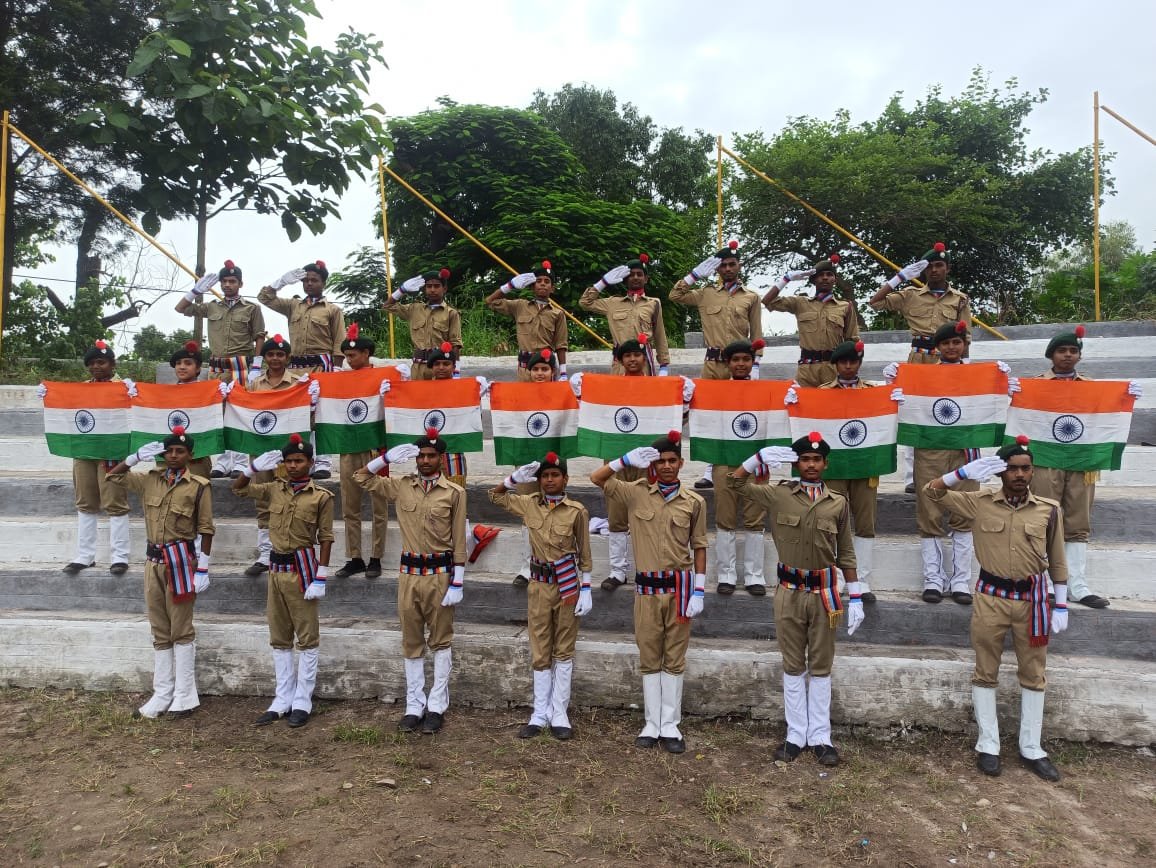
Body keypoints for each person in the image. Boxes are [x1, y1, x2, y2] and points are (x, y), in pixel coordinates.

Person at [925, 437, 1068, 781]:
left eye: (1025, 468)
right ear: (1002, 471)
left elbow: (1058, 559)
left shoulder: (1048, 509)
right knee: (984, 669)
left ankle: (1031, 747)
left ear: (1032, 470)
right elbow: (932, 493)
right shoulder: (980, 502)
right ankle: (988, 744)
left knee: (1033, 674)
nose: (1020, 474)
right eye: (1013, 468)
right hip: (991, 597)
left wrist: (1061, 602)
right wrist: (960, 473)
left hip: (1033, 599)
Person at [729, 435, 861, 767]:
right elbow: (734, 483)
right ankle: (794, 734)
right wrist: (756, 458)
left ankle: (820, 736)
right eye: (805, 459)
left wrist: (856, 594)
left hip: (824, 593)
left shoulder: (838, 502)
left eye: (817, 460)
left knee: (820, 665)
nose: (811, 465)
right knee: (792, 663)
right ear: (796, 463)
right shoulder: (779, 494)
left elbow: (845, 551)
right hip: (789, 592)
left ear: (825, 464)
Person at [590, 431, 707, 754]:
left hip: (680, 590)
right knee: (649, 655)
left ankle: (670, 724)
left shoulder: (694, 501)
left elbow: (699, 546)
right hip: (646, 590)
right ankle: (651, 722)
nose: (667, 466)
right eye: (661, 461)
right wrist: (625, 460)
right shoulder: (636, 493)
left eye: (672, 461)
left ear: (681, 463)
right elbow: (597, 477)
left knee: (674, 657)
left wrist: (699, 589)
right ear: (653, 464)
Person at [352, 429, 467, 734]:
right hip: (409, 576)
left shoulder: (454, 493)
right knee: (411, 641)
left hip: (440, 575)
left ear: (441, 459)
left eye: (431, 455)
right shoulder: (401, 486)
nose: (426, 460)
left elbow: (458, 539)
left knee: (441, 641)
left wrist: (459, 581)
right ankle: (413, 705)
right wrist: (386, 458)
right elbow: (361, 478)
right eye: (421, 455)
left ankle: (437, 705)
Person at [888, 321, 1008, 606]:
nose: (952, 347)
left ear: (964, 345)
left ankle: (960, 580)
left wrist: (1002, 381)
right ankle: (933, 578)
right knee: (929, 512)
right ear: (937, 347)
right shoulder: (924, 376)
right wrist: (892, 381)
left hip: (965, 451)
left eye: (957, 342)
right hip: (931, 450)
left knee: (965, 512)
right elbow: (903, 403)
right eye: (946, 343)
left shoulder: (978, 375)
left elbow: (994, 403)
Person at [1023, 326, 1143, 609]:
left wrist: (1126, 397)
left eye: (1073, 351)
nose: (1067, 355)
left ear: (1079, 355)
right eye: (1062, 351)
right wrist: (1013, 393)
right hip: (1045, 459)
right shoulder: (1035, 384)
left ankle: (1076, 584)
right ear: (1051, 354)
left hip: (1082, 461)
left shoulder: (1092, 387)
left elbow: (1106, 416)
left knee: (1077, 523)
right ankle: (1045, 583)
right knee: (1043, 518)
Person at [105, 426, 214, 719]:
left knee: (181, 627)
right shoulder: (150, 479)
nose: (174, 455)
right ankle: (163, 691)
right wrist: (134, 458)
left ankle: (185, 695)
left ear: (191, 455)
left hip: (181, 562)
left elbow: (206, 528)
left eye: (180, 451)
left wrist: (203, 567)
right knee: (159, 628)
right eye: (169, 451)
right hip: (153, 562)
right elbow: (112, 477)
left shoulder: (199, 485)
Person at [233, 434, 334, 728]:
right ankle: (282, 698)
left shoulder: (321, 497)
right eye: (289, 461)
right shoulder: (274, 488)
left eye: (299, 461)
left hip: (302, 570)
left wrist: (321, 575)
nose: (293, 465)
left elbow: (326, 537)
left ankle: (303, 699)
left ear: (311, 463)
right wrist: (251, 470)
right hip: (276, 570)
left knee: (307, 636)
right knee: (279, 636)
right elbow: (238, 490)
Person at [490, 452, 593, 739]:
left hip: (567, 585)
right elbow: (496, 497)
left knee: (564, 646)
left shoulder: (577, 511)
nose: (549, 480)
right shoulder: (528, 504)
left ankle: (559, 712)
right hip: (539, 584)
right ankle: (539, 713)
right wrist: (512, 480)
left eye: (555, 475)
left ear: (565, 479)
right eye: (545, 476)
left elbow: (584, 553)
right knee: (540, 647)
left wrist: (586, 588)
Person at [869, 242, 972, 493]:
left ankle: (947, 473)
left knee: (945, 413)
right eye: (930, 267)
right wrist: (900, 277)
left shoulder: (960, 299)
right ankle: (912, 478)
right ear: (923, 271)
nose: (935, 270)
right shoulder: (910, 295)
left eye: (939, 265)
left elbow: (965, 337)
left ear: (947, 268)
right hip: (918, 361)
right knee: (914, 415)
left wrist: (965, 369)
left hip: (948, 361)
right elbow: (875, 302)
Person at [669, 241, 763, 489]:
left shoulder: (751, 297)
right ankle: (711, 469)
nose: (728, 268)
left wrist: (757, 366)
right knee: (710, 417)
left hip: (741, 366)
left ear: (739, 266)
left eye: (732, 264)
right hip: (712, 364)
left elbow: (757, 334)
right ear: (717, 270)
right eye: (723, 265)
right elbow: (675, 295)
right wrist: (694, 275)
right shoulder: (705, 293)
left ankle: (741, 464)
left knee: (738, 415)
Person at [811, 339, 890, 603]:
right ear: (835, 365)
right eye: (842, 362)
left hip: (866, 465)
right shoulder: (821, 392)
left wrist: (893, 401)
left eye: (852, 361)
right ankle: (838, 578)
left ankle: (862, 579)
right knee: (832, 523)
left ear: (859, 363)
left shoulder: (874, 391)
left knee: (865, 524)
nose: (847, 366)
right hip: (835, 467)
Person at [570, 336, 651, 591]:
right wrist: (582, 392)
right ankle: (618, 571)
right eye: (627, 356)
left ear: (644, 358)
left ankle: (646, 568)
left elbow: (672, 421)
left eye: (637, 355)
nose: (633, 360)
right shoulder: (610, 387)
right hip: (615, 457)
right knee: (616, 515)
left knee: (646, 514)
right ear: (620, 360)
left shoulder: (659, 387)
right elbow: (591, 411)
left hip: (647, 459)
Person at [175, 259, 266, 478]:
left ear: (240, 284)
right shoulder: (212, 306)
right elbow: (180, 309)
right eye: (224, 281)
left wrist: (256, 365)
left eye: (232, 281)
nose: (227, 285)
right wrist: (195, 290)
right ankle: (223, 461)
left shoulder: (252, 308)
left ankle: (241, 460)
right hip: (217, 368)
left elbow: (259, 337)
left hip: (241, 366)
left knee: (241, 412)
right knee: (219, 413)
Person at [258, 260, 345, 478]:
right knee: (296, 415)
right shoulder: (293, 306)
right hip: (296, 369)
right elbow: (264, 298)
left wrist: (336, 370)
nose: (308, 284)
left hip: (321, 368)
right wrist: (280, 282)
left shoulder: (333, 310)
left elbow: (339, 342)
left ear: (323, 283)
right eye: (305, 280)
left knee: (320, 416)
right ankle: (299, 458)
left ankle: (323, 461)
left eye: (314, 280)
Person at [56, 340, 132, 576]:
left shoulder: (125, 388)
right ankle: (85, 555)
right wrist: (50, 395)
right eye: (92, 363)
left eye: (101, 362)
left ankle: (120, 557)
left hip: (113, 453)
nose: (96, 367)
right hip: (85, 451)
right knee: (86, 502)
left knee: (115, 503)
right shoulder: (81, 389)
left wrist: (133, 394)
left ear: (112, 363)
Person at [709, 339, 770, 596]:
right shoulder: (714, 391)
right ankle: (726, 574)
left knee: (755, 519)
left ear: (753, 362)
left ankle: (755, 575)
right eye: (736, 360)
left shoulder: (766, 391)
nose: (741, 364)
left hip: (756, 462)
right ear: (728, 363)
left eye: (746, 359)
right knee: (725, 518)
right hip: (725, 462)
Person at [331, 324, 389, 580]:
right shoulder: (340, 381)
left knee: (379, 505)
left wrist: (392, 391)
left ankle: (376, 557)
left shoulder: (384, 377)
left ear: (366, 354)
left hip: (376, 447)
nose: (348, 360)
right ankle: (355, 557)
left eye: (353, 355)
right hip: (349, 447)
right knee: (349, 506)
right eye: (346, 356)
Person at [242, 334, 297, 577]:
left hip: (288, 453)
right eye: (271, 354)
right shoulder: (255, 385)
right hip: (261, 449)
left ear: (287, 357)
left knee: (290, 500)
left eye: (280, 354)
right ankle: (265, 554)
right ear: (264, 358)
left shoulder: (297, 383)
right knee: (263, 502)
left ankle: (290, 549)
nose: (275, 359)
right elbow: (243, 411)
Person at [762, 254, 859, 388]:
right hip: (807, 370)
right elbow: (767, 301)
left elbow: (852, 342)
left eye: (829, 274)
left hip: (834, 369)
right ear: (813, 280)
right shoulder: (801, 303)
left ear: (835, 279)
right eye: (820, 275)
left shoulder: (845, 306)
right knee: (805, 406)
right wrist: (786, 279)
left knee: (833, 407)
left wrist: (849, 372)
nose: (825, 277)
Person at [579, 254, 670, 376]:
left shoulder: (653, 303)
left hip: (643, 363)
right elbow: (585, 303)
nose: (636, 277)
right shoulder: (612, 303)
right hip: (620, 364)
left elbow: (660, 335)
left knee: (643, 395)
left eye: (639, 274)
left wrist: (664, 365)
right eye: (631, 275)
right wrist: (603, 283)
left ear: (646, 278)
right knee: (618, 394)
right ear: (625, 279)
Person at [485, 260, 569, 381]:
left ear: (552, 288)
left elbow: (561, 345)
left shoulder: (558, 313)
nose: (543, 284)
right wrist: (510, 285)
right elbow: (490, 301)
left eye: (547, 281)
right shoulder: (520, 306)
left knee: (546, 400)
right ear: (532, 287)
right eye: (538, 281)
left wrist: (564, 374)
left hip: (546, 369)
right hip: (525, 369)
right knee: (524, 399)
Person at [383, 267, 463, 381]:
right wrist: (401, 290)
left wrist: (456, 373)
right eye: (429, 286)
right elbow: (387, 306)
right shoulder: (414, 309)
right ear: (425, 289)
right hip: (418, 368)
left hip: (439, 368)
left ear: (444, 288)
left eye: (436, 286)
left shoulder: (451, 313)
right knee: (417, 398)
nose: (432, 290)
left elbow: (455, 345)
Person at [167, 340, 213, 479]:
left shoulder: (210, 392)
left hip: (197, 456)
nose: (182, 367)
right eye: (178, 363)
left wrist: (221, 394)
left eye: (188, 363)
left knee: (197, 494)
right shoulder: (165, 394)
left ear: (198, 368)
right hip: (169, 457)